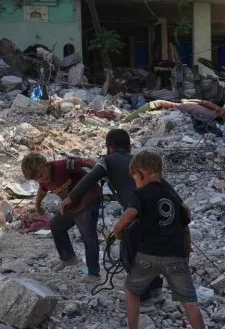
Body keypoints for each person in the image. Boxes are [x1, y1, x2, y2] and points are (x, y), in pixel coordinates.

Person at [112, 150, 213, 329]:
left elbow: (130, 214)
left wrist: (117, 230)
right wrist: (186, 254)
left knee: (132, 290)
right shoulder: (173, 196)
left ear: (139, 174)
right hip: (175, 256)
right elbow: (185, 228)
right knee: (189, 301)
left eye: (134, 179)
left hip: (147, 256)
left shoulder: (140, 194)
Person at [65, 129, 166, 311]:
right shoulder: (139, 163)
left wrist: (69, 198)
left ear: (108, 147)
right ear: (129, 146)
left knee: (130, 254)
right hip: (160, 211)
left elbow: (90, 178)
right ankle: (157, 290)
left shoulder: (108, 160)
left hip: (137, 213)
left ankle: (143, 300)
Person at [22, 152, 102, 278]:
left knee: (88, 235)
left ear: (47, 166)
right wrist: (38, 208)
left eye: (41, 175)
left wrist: (101, 171)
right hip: (71, 205)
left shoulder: (63, 166)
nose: (41, 179)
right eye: (37, 178)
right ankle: (68, 258)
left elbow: (86, 161)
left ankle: (93, 273)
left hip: (89, 198)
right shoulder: (43, 180)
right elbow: (41, 193)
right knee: (56, 224)